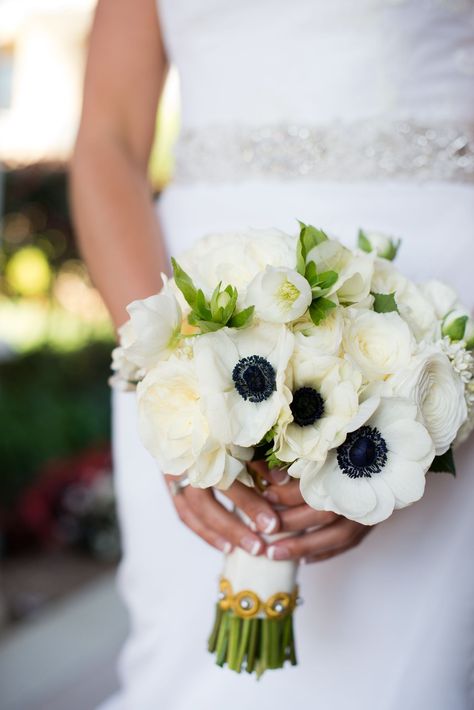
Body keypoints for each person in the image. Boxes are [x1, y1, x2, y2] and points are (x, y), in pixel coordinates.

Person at [70, 1, 474, 708]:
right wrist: (166, 362)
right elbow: (108, 137)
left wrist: (401, 429)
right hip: (193, 307)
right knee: (190, 675)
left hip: (436, 310)